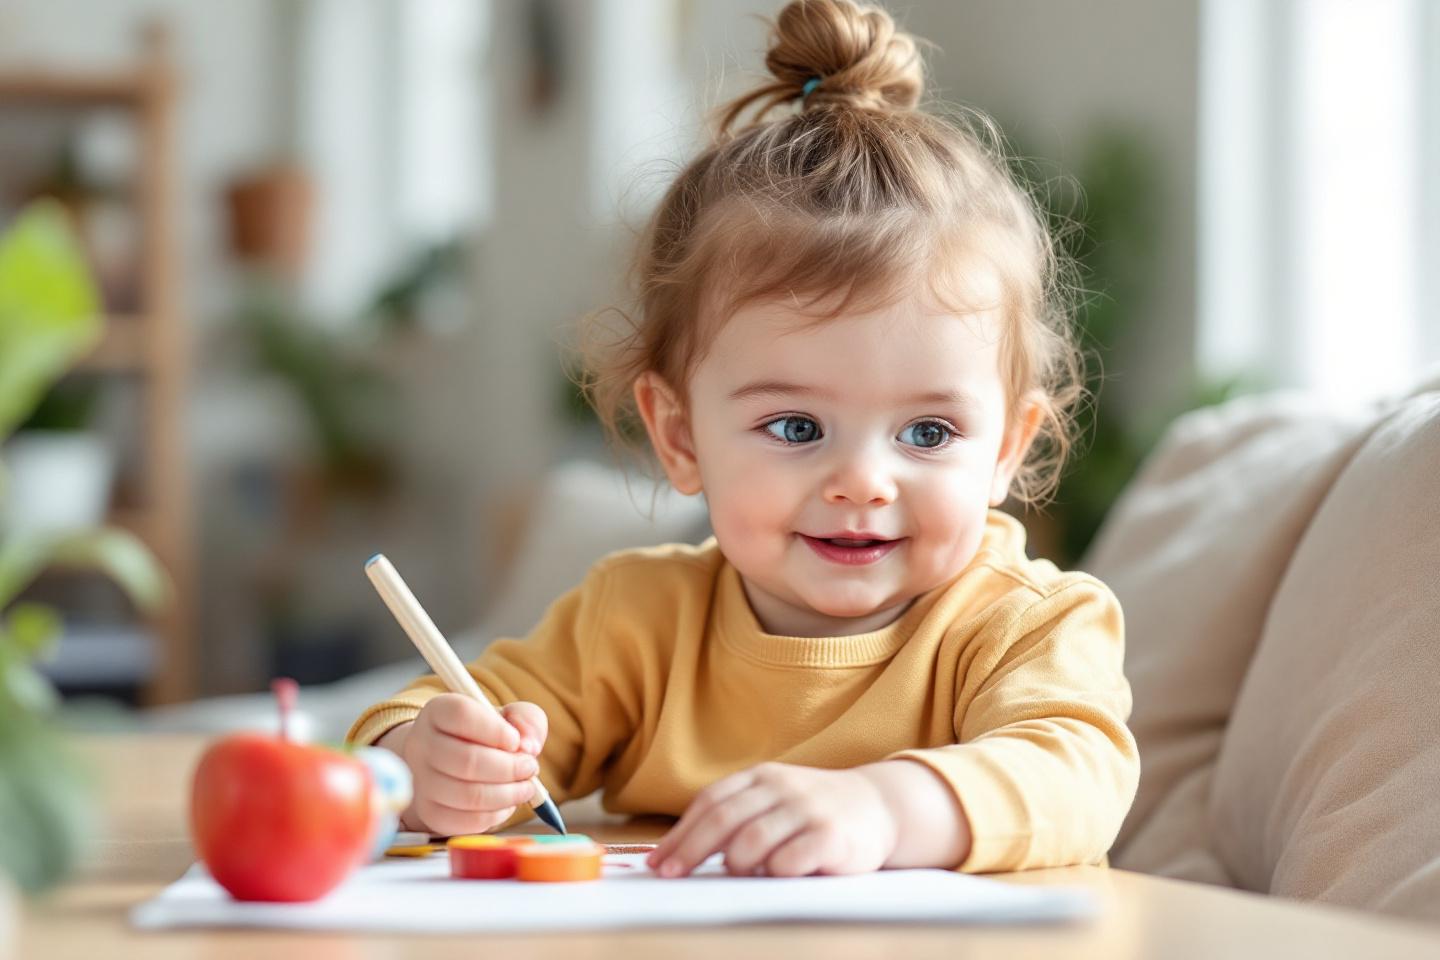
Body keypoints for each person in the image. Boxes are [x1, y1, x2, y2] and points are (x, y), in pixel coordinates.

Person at [348, 0, 1138, 879]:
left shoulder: (1024, 627)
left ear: (1007, 448)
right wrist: (427, 767)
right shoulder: (638, 624)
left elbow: (1080, 773)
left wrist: (886, 806)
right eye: (796, 427)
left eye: (928, 430)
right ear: (680, 437)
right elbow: (441, 713)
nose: (863, 481)